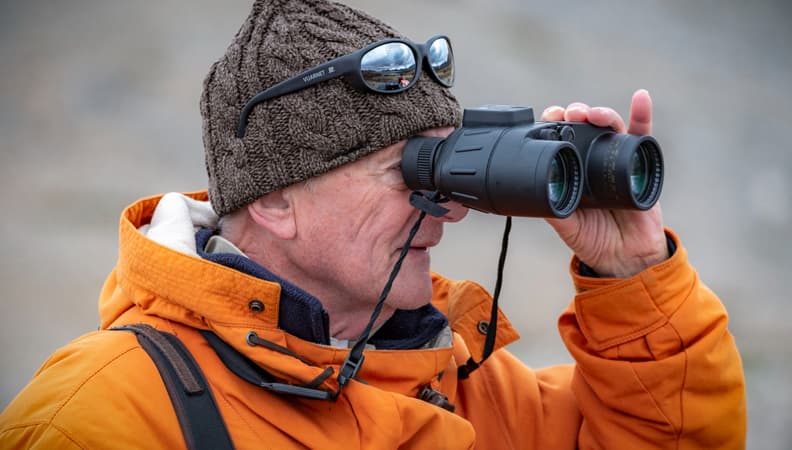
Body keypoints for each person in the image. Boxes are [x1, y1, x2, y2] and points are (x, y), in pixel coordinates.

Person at [0, 0, 746, 448]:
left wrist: (633, 272)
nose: (449, 204)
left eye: (444, 166)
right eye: (407, 173)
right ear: (275, 201)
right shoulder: (101, 418)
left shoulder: (452, 381)